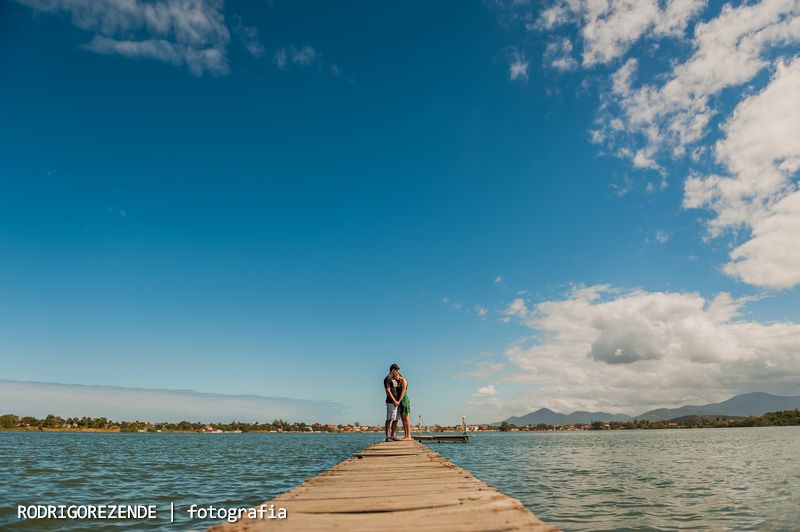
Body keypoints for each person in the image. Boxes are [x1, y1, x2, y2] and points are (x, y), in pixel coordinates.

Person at [383, 363, 401, 442]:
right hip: (391, 402)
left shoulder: (394, 378)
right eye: (396, 371)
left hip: (397, 402)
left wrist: (397, 401)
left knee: (396, 419)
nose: (397, 372)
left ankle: (393, 435)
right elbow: (388, 391)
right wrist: (394, 401)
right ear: (393, 370)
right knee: (389, 419)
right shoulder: (387, 379)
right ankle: (387, 436)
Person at [396, 371, 412, 440]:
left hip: (404, 400)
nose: (395, 377)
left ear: (399, 374)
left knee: (406, 419)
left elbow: (403, 391)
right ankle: (406, 435)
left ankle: (409, 436)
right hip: (401, 401)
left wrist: (399, 401)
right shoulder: (399, 382)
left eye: (396, 376)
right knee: (403, 419)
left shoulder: (403, 380)